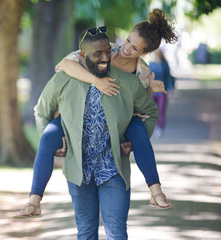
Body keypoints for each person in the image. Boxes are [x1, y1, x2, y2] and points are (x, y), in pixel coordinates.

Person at [14, 9, 178, 218]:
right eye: (128, 40)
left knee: (138, 130)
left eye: (134, 48)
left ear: (143, 53)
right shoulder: (104, 47)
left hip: (118, 122)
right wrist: (96, 81)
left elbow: (140, 102)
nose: (126, 48)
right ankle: (34, 199)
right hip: (79, 113)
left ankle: (155, 190)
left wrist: (150, 89)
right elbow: (65, 65)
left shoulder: (142, 73)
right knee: (47, 137)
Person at [27, 29, 158, 239]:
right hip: (79, 170)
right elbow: (41, 111)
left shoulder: (131, 77)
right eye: (98, 53)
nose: (105, 57)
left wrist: (134, 141)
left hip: (113, 167)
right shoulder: (65, 78)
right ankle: (34, 198)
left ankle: (156, 188)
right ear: (82, 55)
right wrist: (56, 144)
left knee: (116, 233)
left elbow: (150, 110)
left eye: (107, 52)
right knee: (86, 232)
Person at [149, 49, 175, 137]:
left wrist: (170, 90)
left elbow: (168, 77)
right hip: (153, 92)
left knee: (161, 110)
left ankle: (160, 127)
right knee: (152, 110)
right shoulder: (151, 64)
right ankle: (153, 126)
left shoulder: (165, 65)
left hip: (162, 92)